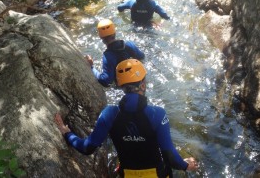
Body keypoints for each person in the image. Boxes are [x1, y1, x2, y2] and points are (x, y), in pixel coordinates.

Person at [54, 59, 199, 177]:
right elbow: (170, 157)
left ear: (120, 85)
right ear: (143, 84)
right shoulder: (158, 114)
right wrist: (186, 165)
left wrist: (67, 133)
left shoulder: (109, 114)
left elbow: (86, 148)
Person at [86, 19, 145, 87]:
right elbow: (142, 57)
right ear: (114, 32)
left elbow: (105, 81)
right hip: (139, 79)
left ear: (100, 37)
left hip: (124, 86)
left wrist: (91, 67)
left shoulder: (108, 56)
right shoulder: (129, 44)